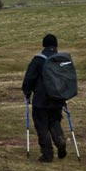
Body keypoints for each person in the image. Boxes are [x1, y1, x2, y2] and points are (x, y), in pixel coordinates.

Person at [22, 34, 67, 162]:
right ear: (56, 45)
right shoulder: (60, 60)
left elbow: (29, 78)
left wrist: (27, 92)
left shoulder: (38, 60)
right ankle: (60, 141)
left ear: (44, 45)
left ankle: (47, 154)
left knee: (42, 126)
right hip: (58, 98)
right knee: (54, 121)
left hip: (41, 99)